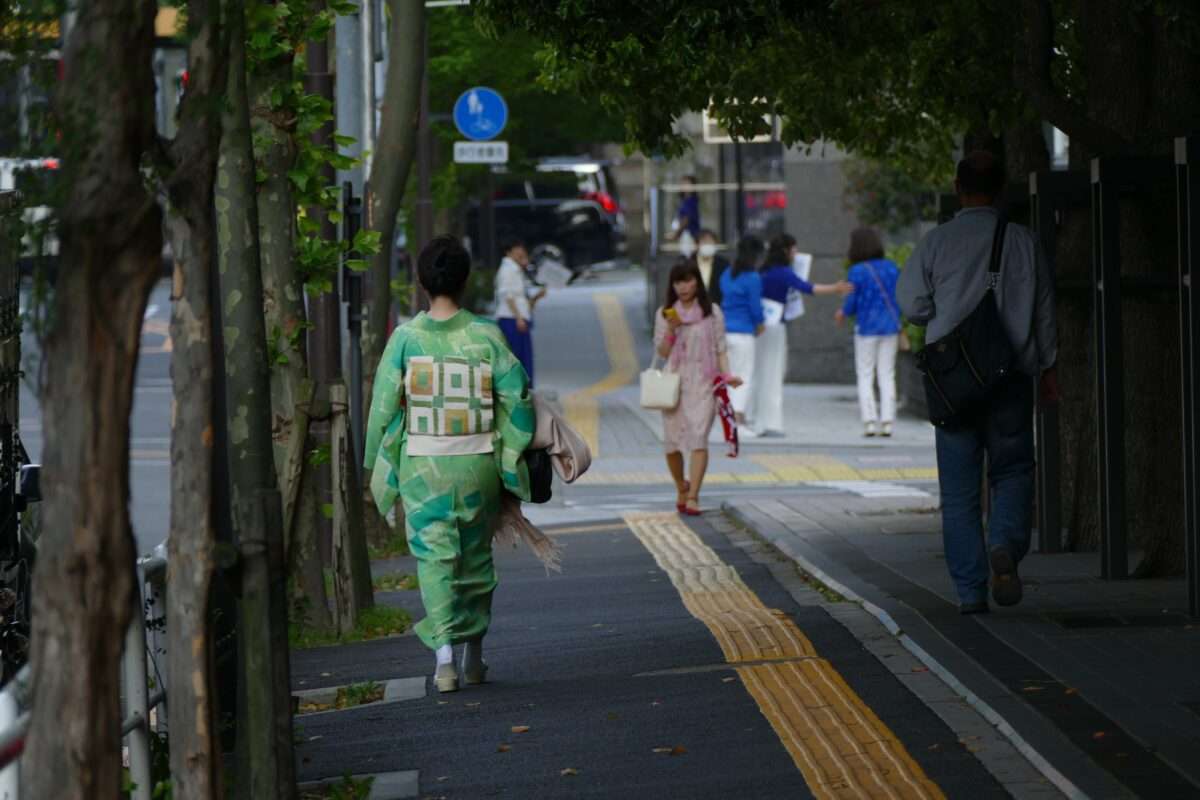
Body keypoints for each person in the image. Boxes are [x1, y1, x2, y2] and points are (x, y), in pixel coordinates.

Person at [365, 234, 536, 692]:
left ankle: (444, 659)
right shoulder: (486, 335)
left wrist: (374, 462)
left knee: (434, 557)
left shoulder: (405, 339)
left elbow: (383, 407)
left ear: (421, 281)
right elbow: (517, 398)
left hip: (423, 464)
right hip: (476, 460)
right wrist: (511, 455)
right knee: (476, 555)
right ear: (465, 281)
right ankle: (474, 654)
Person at [897, 151, 1059, 615]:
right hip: (1010, 374)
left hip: (953, 380)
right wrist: (1048, 368)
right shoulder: (1023, 241)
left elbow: (912, 304)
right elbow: (1044, 311)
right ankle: (1004, 543)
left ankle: (970, 593)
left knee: (959, 491)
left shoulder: (937, 242)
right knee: (1011, 471)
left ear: (957, 186)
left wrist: (939, 313)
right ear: (1002, 188)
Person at [654, 258, 741, 515]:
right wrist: (671, 329)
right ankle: (681, 485)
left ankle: (693, 496)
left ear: (697, 282)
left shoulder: (711, 312)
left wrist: (727, 376)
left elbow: (721, 349)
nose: (683, 287)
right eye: (678, 281)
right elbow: (661, 351)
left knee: (698, 438)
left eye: (688, 280)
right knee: (671, 443)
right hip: (674, 383)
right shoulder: (666, 313)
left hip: (704, 382)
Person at [751, 233, 852, 436]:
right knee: (774, 373)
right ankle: (771, 423)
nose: (795, 253)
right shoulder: (784, 273)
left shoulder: (763, 271)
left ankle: (756, 419)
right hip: (776, 327)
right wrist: (835, 288)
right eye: (793, 249)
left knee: (760, 373)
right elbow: (808, 288)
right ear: (785, 251)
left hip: (759, 327)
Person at [835, 227, 903, 438]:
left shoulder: (857, 271)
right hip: (890, 327)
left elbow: (852, 301)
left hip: (866, 328)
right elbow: (899, 297)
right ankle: (888, 421)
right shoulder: (892, 268)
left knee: (865, 374)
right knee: (887, 374)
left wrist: (842, 312)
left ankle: (870, 422)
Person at [719, 236, 766, 432]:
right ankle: (737, 420)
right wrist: (760, 324)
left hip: (724, 331)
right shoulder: (753, 278)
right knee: (744, 376)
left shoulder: (727, 274)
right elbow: (755, 308)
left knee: (729, 376)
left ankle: (732, 417)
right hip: (743, 332)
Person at [494, 237, 546, 385]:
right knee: (516, 360)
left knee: (524, 360)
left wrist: (536, 298)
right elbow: (507, 296)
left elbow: (521, 301)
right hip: (511, 320)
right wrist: (518, 318)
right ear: (509, 252)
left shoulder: (516, 270)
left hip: (518, 319)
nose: (522, 251)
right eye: (518, 248)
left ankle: (524, 394)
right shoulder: (507, 270)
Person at [695, 228, 729, 305]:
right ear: (697, 245)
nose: (707, 245)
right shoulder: (689, 263)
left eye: (710, 242)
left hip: (717, 307)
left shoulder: (723, 264)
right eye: (704, 242)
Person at [670, 175, 701, 257]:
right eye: (683, 183)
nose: (684, 186)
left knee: (688, 259)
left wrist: (676, 233)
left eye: (687, 183)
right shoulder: (685, 201)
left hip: (689, 235)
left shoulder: (690, 201)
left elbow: (686, 219)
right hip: (686, 235)